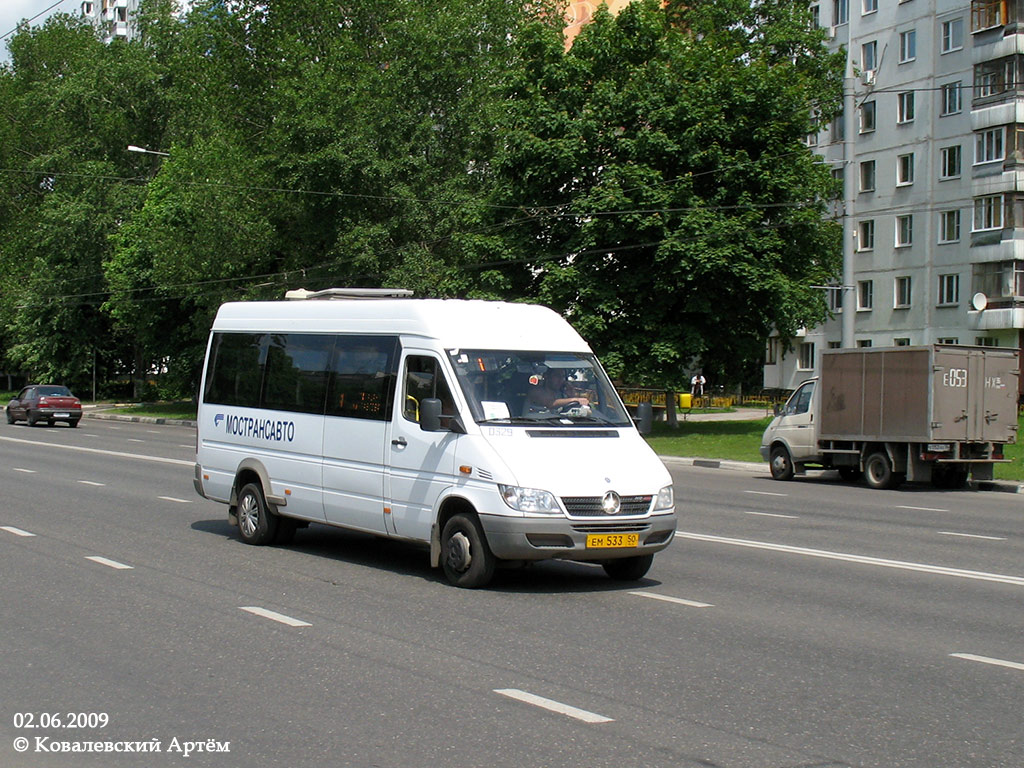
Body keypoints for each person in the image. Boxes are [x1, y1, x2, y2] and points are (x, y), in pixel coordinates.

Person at [525, 368, 589, 412]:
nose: (561, 379)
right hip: (533, 423)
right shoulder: (536, 391)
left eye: (563, 376)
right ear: (547, 376)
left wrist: (571, 394)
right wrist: (575, 399)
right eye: (557, 376)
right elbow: (550, 403)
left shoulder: (561, 394)